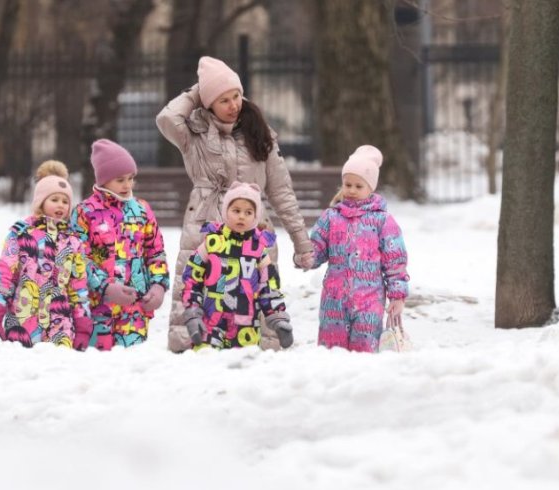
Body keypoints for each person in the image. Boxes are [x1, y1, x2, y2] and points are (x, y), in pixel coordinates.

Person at [156, 55, 312, 353]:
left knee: (260, 288)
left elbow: (282, 192)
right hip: (206, 220)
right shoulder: (194, 134)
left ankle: (262, 348)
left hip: (253, 225)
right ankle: (195, 342)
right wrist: (196, 92)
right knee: (197, 283)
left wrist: (302, 244)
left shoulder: (260, 134)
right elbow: (166, 119)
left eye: (236, 96)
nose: (233, 105)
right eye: (223, 99)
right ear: (208, 103)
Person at [301, 145, 410, 353]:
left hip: (369, 298)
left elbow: (395, 261)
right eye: (347, 184)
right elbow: (317, 248)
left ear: (371, 188)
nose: (351, 190)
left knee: (365, 349)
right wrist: (306, 256)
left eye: (358, 186)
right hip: (334, 298)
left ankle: (363, 381)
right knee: (332, 349)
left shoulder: (382, 220)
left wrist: (397, 295)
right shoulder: (331, 217)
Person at [71, 139, 170, 350]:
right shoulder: (85, 212)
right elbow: (78, 258)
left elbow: (155, 252)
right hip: (98, 307)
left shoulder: (142, 210)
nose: (127, 185)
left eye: (131, 178)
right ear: (103, 180)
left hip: (135, 308)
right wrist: (104, 287)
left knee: (131, 364)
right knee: (101, 363)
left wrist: (158, 285)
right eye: (120, 180)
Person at [0, 160, 92, 350]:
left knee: (58, 369)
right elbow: (6, 275)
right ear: (41, 202)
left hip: (61, 325)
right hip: (23, 321)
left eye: (65, 201)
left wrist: (82, 324)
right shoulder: (20, 234)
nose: (61, 205)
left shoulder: (73, 241)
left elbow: (78, 286)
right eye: (54, 199)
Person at [181, 182, 293, 350]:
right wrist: (193, 311)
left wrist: (278, 318)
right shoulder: (212, 243)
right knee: (207, 363)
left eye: (248, 212)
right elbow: (192, 277)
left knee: (242, 367)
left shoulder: (258, 251)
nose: (242, 216)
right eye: (236, 211)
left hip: (245, 327)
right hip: (211, 322)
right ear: (226, 211)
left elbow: (268, 287)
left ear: (256, 216)